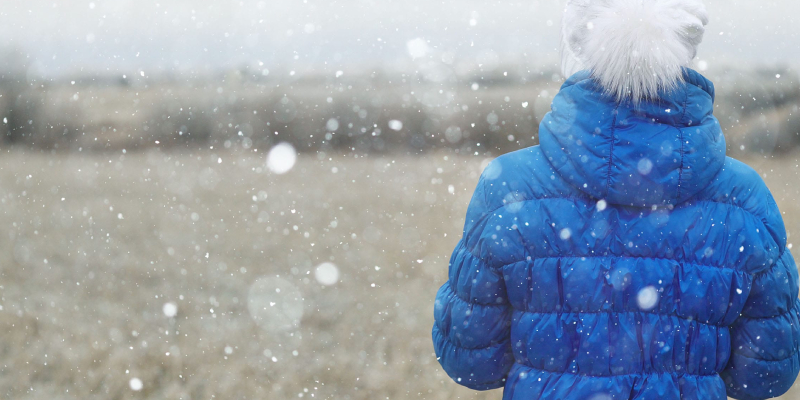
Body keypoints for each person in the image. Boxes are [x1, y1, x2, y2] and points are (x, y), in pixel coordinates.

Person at [431, 0, 800, 399]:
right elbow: (767, 374)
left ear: (574, 50)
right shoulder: (743, 197)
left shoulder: (508, 187)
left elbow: (470, 363)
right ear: (685, 52)